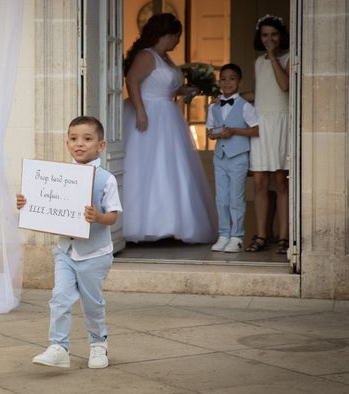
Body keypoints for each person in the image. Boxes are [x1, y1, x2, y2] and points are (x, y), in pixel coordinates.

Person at [16, 116, 122, 369]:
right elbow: (46, 206)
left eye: (87, 139)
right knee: (60, 297)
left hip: (94, 255)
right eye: (73, 139)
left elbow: (113, 216)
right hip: (65, 251)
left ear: (101, 145)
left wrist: (97, 216)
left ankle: (98, 344)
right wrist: (26, 204)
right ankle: (58, 347)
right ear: (67, 143)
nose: (79, 144)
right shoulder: (57, 176)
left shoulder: (106, 179)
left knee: (92, 303)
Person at [122, 13, 217, 244]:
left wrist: (187, 90)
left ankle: (171, 225)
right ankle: (143, 225)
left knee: (170, 168)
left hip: (168, 116)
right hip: (149, 114)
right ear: (169, 34)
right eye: (177, 36)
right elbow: (132, 80)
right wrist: (141, 110)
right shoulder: (147, 55)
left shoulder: (165, 58)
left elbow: (166, 88)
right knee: (147, 167)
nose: (178, 41)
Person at [243, 14, 290, 254]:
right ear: (259, 37)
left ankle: (284, 236)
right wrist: (234, 98)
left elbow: (285, 86)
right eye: (264, 35)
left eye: (273, 34)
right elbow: (259, 94)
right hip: (261, 122)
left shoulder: (289, 58)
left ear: (280, 36)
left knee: (281, 181)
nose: (269, 39)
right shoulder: (257, 62)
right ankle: (261, 235)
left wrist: (273, 57)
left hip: (280, 121)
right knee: (260, 182)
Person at [206, 63, 259, 253]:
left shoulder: (245, 106)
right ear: (219, 81)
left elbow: (256, 129)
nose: (227, 82)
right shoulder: (213, 106)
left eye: (232, 78)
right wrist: (215, 134)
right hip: (220, 156)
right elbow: (210, 132)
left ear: (240, 82)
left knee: (236, 198)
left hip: (238, 156)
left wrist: (235, 131)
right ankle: (223, 234)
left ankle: (237, 237)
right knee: (222, 198)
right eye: (224, 79)